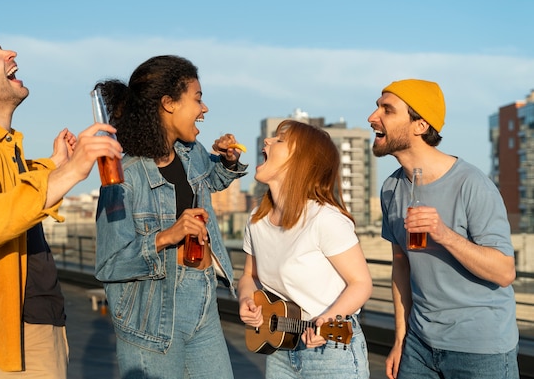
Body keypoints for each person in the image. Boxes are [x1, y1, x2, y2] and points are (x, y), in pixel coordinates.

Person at [0, 16, 122, 378]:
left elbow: (12, 188)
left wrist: (57, 162)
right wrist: (71, 170)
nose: (10, 52)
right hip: (16, 338)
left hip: (38, 326)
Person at [93, 55, 248, 379]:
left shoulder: (191, 153)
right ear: (168, 104)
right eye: (198, 98)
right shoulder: (123, 175)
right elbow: (110, 264)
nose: (204, 109)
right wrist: (167, 235)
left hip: (202, 299)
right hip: (152, 311)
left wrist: (228, 162)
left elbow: (210, 181)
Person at [368, 79, 519, 379]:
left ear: (420, 125)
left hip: (480, 350)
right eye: (376, 108)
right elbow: (401, 267)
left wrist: (444, 234)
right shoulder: (391, 188)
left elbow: (504, 272)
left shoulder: (472, 184)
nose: (373, 118)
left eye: (387, 110)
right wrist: (400, 340)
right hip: (419, 347)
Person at [238, 119, 373, 379]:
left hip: (332, 349)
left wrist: (326, 321)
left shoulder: (325, 219)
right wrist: (246, 300)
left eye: (279, 141)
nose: (267, 141)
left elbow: (361, 283)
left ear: (300, 161)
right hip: (279, 348)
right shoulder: (257, 219)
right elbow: (250, 276)